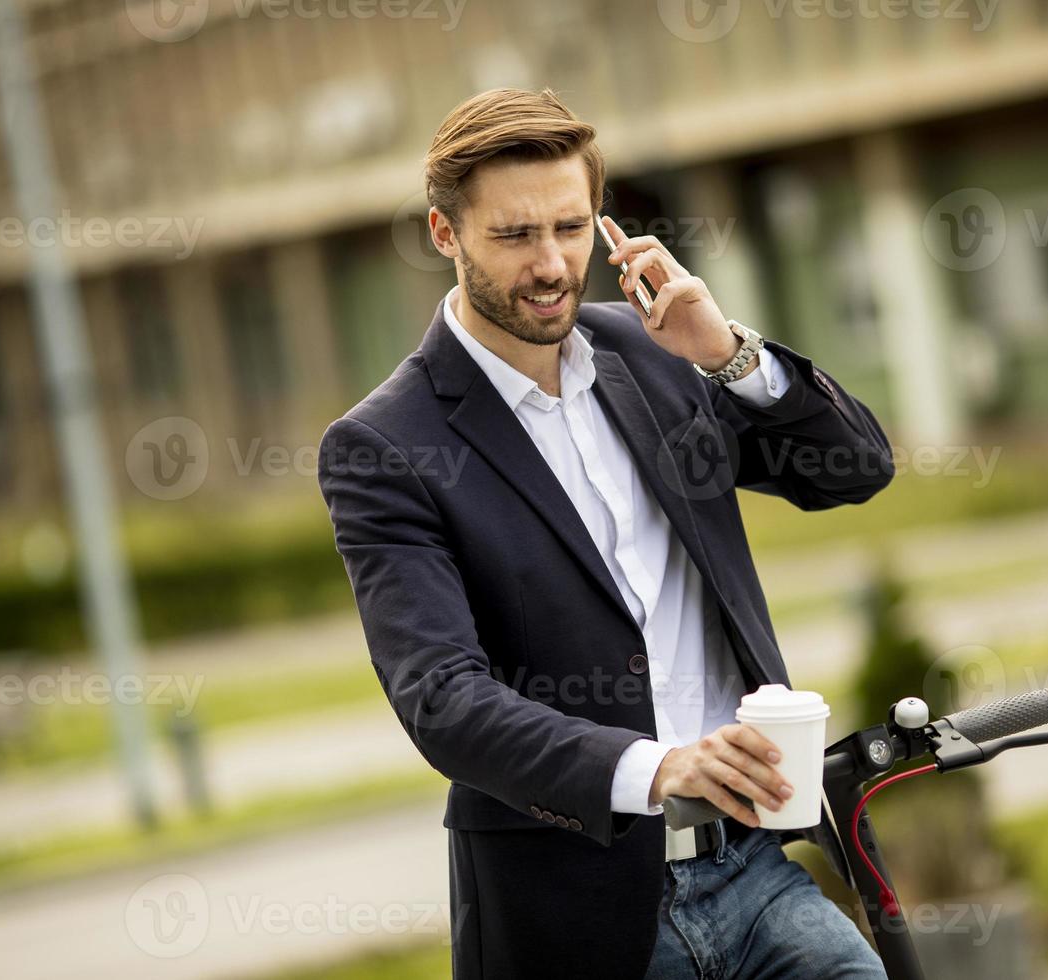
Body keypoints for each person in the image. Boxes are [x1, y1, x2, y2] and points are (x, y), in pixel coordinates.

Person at [317, 87, 894, 979]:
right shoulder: (384, 447)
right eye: (514, 236)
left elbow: (855, 469)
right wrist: (656, 768)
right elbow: (443, 700)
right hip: (576, 918)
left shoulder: (653, 353)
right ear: (444, 233)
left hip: (753, 874)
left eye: (572, 227)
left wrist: (727, 354)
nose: (553, 264)